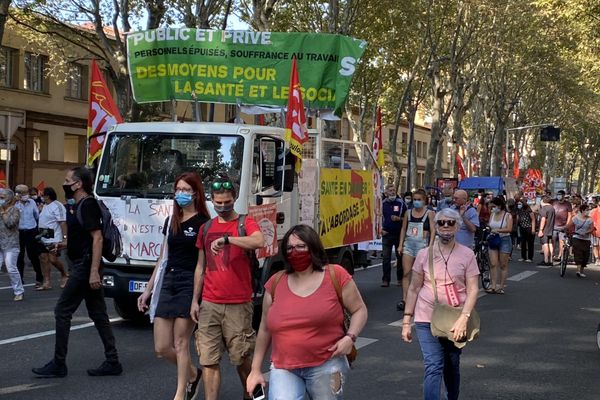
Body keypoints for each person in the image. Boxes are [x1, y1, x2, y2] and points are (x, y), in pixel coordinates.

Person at [246, 224, 368, 399]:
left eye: (301, 246)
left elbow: (359, 310)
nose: (295, 251)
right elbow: (264, 328)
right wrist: (255, 370)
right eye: (289, 248)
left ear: (313, 247)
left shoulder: (336, 275)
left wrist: (351, 337)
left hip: (327, 364)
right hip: (284, 368)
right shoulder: (275, 282)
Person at [33, 167, 122, 378]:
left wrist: (93, 272)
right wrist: (62, 246)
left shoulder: (88, 204)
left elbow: (97, 238)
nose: (64, 183)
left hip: (85, 267)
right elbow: (83, 238)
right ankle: (113, 360)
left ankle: (59, 363)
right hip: (85, 264)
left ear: (78, 184)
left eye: (67, 180)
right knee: (98, 314)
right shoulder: (80, 205)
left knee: (62, 311)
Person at [190, 177, 265, 400]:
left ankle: (250, 394)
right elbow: (200, 267)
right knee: (208, 360)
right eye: (218, 202)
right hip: (209, 304)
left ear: (234, 199)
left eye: (227, 202)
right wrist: (195, 300)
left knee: (241, 358)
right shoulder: (205, 228)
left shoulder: (245, 223)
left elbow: (258, 241)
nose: (223, 206)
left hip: (239, 304)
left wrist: (229, 240)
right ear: (211, 201)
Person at [137, 172, 210, 400]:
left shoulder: (203, 224)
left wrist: (196, 298)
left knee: (180, 342)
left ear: (196, 193)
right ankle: (192, 374)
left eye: (186, 190)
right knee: (161, 347)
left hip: (189, 282)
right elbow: (162, 258)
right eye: (178, 190)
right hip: (167, 281)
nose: (181, 194)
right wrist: (148, 290)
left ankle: (181, 392)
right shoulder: (171, 221)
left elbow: (202, 263)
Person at [401, 208, 480, 400]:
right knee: (433, 365)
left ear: (457, 226)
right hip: (426, 317)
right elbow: (413, 288)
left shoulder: (467, 255)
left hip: (455, 319)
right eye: (441, 223)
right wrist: (406, 322)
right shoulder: (423, 254)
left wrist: (464, 318)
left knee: (451, 366)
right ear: (435, 226)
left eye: (450, 223)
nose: (445, 226)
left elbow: (473, 289)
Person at [398, 189, 435, 310]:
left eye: (419, 200)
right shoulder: (408, 213)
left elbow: (433, 230)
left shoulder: (429, 213)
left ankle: (420, 298)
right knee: (406, 272)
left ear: (424, 200)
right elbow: (403, 229)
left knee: (420, 274)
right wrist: (400, 244)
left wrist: (431, 246)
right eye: (415, 200)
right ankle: (405, 298)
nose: (416, 202)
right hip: (409, 245)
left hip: (422, 246)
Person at [36, 187, 69, 290]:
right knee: (43, 258)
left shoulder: (57, 206)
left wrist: (64, 238)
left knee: (53, 259)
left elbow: (63, 222)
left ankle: (64, 274)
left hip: (54, 237)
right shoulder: (44, 206)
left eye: (43, 195)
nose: (41, 197)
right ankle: (47, 282)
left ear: (47, 196)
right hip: (43, 236)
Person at [15, 184, 43, 286]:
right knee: (19, 256)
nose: (26, 194)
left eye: (27, 192)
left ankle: (39, 276)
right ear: (18, 194)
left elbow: (36, 215)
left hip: (31, 231)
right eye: (24, 193)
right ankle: (20, 279)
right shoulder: (14, 204)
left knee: (33, 255)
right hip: (19, 232)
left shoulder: (32, 202)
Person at [381, 184, 407, 287]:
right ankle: (385, 280)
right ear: (386, 192)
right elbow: (378, 218)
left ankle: (400, 279)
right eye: (390, 190)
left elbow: (407, 217)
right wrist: (380, 230)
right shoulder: (382, 203)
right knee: (386, 258)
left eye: (394, 190)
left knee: (399, 257)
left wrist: (399, 219)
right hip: (386, 234)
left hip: (398, 234)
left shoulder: (401, 203)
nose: (392, 192)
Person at [0, 188, 24, 301]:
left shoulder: (15, 210)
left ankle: (18, 291)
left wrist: (3, 212)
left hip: (11, 244)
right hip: (0, 243)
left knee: (11, 268)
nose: (1, 200)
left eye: (2, 197)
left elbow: (10, 223)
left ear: (9, 199)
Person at [486, 197, 513, 294]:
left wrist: (498, 230)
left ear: (499, 206)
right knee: (493, 264)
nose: (492, 208)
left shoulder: (507, 215)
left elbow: (509, 229)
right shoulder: (492, 214)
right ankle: (493, 285)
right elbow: (490, 225)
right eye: (491, 206)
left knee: (503, 264)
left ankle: (501, 286)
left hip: (504, 240)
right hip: (493, 239)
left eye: (494, 206)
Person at [567, 203, 594, 278]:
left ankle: (581, 270)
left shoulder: (590, 219)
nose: (588, 211)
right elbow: (569, 225)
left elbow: (592, 228)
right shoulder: (576, 218)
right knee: (578, 253)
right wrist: (566, 230)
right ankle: (578, 271)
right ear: (582, 210)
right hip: (577, 237)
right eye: (586, 210)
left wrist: (586, 232)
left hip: (586, 239)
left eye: (588, 210)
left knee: (585, 255)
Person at [552, 190, 572, 262]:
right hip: (554, 225)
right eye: (558, 194)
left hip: (563, 226)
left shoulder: (567, 204)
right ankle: (552, 254)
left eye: (560, 194)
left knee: (561, 241)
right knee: (553, 241)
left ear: (563, 195)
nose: (559, 196)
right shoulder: (554, 203)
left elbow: (570, 215)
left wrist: (567, 224)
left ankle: (560, 255)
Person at [537, 196, 555, 267]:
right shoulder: (552, 208)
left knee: (545, 244)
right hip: (550, 228)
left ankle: (546, 260)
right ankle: (551, 260)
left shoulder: (544, 209)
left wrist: (541, 230)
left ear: (542, 201)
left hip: (545, 229)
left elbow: (543, 219)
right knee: (550, 243)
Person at [590, 199, 600, 265]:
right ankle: (597, 259)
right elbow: (590, 221)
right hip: (595, 232)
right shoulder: (593, 211)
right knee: (595, 245)